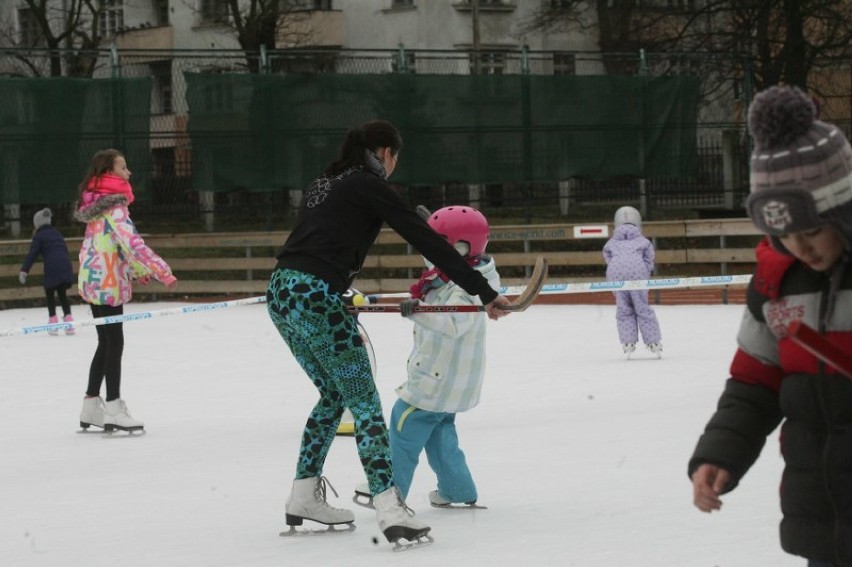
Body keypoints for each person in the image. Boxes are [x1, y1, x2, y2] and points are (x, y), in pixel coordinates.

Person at [266, 120, 511, 545]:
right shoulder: (367, 183)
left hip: (283, 292)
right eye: (396, 157)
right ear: (385, 153)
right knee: (364, 402)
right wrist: (484, 291)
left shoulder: (325, 181)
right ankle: (390, 507)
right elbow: (426, 239)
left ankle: (303, 494)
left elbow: (319, 241)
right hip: (315, 294)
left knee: (334, 395)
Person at [688, 85, 852, 566]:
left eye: (811, 230)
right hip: (821, 517)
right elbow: (754, 383)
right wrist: (721, 453)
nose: (799, 247)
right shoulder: (775, 284)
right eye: (782, 233)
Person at [384, 206, 498, 509]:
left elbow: (454, 323)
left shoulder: (470, 286)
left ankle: (388, 495)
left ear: (461, 247)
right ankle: (457, 490)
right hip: (447, 380)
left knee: (402, 427)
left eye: (435, 244)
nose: (427, 250)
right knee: (440, 434)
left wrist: (419, 312)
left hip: (436, 380)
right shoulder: (450, 276)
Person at [73, 149, 177, 433]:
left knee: (105, 342)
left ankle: (91, 405)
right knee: (114, 342)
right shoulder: (114, 206)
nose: (128, 173)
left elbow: (113, 244)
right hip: (107, 282)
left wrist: (141, 272)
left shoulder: (95, 204)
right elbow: (132, 243)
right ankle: (114, 406)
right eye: (124, 167)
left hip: (93, 279)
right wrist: (160, 270)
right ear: (109, 173)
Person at [602, 206, 662, 356]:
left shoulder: (611, 242)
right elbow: (649, 259)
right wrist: (645, 274)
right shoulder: (643, 241)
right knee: (642, 307)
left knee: (623, 308)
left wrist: (615, 270)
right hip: (637, 273)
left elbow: (608, 257)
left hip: (616, 273)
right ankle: (653, 342)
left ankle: (628, 342)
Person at [19, 207, 76, 336]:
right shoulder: (57, 233)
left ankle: (53, 322)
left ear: (37, 223)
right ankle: (69, 322)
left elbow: (32, 254)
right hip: (65, 266)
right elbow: (64, 251)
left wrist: (24, 270)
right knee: (62, 294)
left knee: (50, 294)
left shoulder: (39, 236)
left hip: (52, 268)